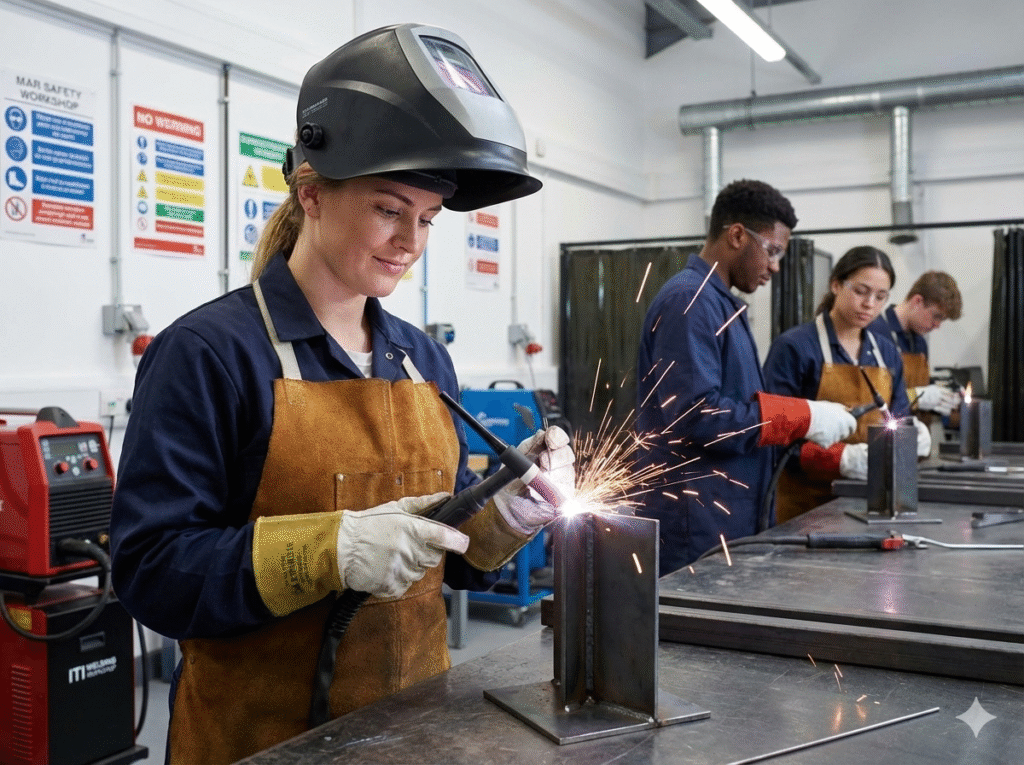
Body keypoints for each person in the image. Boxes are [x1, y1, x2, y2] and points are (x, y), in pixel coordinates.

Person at [109, 24, 573, 765]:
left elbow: (450, 558)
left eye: (425, 219)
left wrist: (505, 513)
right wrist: (330, 548)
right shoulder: (210, 354)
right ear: (313, 193)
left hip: (416, 737)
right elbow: (151, 571)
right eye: (390, 209)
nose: (410, 241)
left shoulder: (423, 360)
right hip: (257, 742)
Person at [634, 179, 857, 574]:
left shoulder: (721, 305)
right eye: (771, 251)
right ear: (737, 235)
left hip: (726, 516)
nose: (774, 266)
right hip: (696, 524)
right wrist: (801, 416)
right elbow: (698, 417)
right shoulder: (690, 301)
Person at [763, 246, 929, 522]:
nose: (870, 305)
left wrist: (911, 435)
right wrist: (842, 459)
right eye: (861, 291)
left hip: (870, 506)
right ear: (836, 284)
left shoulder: (887, 354)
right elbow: (772, 438)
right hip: (803, 510)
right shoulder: (795, 348)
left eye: (880, 297)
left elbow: (898, 418)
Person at [869, 270, 963, 419]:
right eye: (936, 316)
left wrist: (944, 397)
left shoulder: (919, 342)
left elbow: (922, 392)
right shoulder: (876, 333)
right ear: (917, 301)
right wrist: (915, 396)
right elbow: (871, 398)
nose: (937, 325)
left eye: (942, 320)